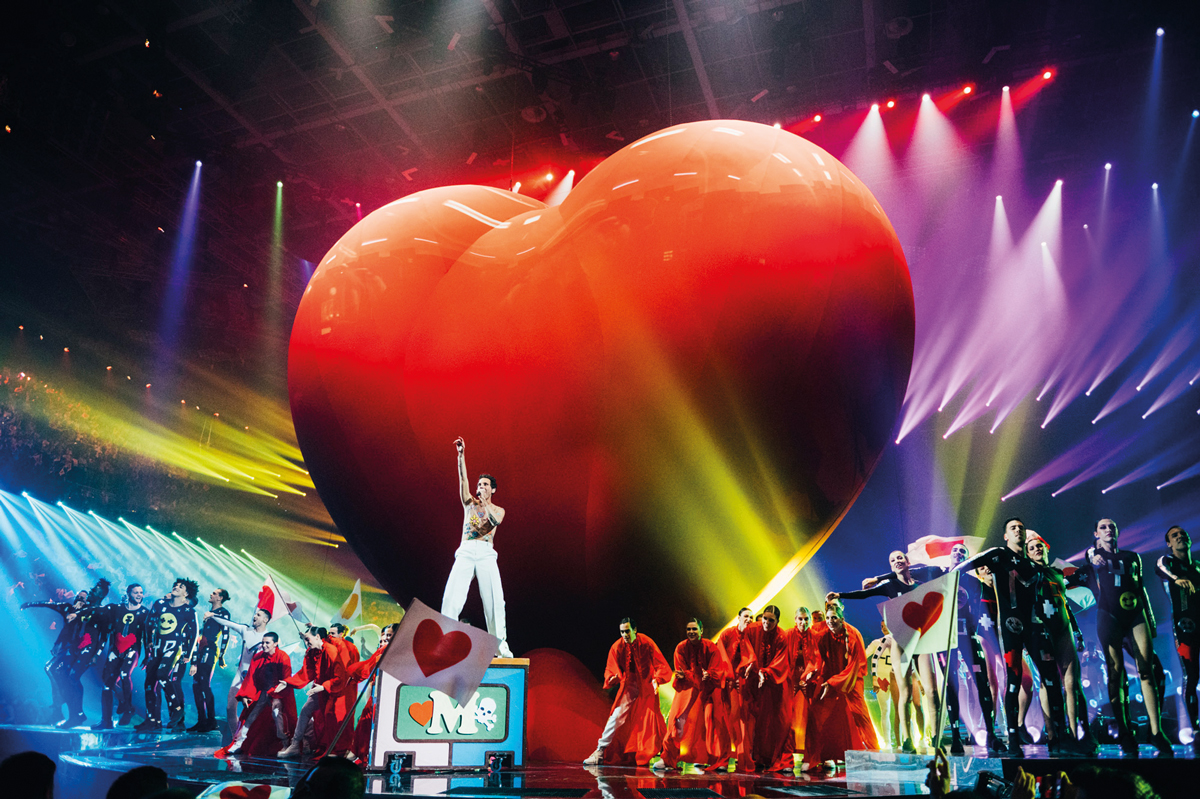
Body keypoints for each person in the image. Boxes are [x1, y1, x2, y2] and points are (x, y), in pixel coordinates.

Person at [955, 518, 1069, 757]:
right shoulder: (998, 554)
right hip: (1010, 628)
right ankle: (1014, 738)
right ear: (1006, 536)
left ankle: (1058, 737)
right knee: (1014, 680)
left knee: (1050, 678)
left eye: (1021, 527)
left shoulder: (1033, 565)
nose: (1018, 530)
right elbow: (964, 567)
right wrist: (950, 579)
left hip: (1035, 627)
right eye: (1013, 528)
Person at [1069, 518, 1173, 757]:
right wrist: (1090, 554)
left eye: (1112, 526)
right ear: (1096, 533)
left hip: (1136, 614)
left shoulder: (1132, 557)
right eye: (1103, 527)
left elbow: (1141, 587)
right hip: (1109, 616)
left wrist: (1151, 618)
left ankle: (1156, 732)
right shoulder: (1095, 558)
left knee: (1146, 669)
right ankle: (1125, 732)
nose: (1108, 529)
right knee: (1116, 672)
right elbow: (1085, 561)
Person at [827, 550, 944, 753]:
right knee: (905, 692)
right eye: (892, 560)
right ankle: (907, 739)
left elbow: (932, 570)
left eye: (900, 558)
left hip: (922, 640)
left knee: (932, 692)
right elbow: (865, 594)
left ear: (907, 561)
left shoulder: (920, 581)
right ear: (890, 566)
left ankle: (936, 737)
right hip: (901, 641)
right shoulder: (890, 586)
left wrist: (878, 576)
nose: (897, 561)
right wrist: (840, 595)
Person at [1023, 532, 1097, 754]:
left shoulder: (1056, 573)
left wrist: (1076, 631)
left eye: (1040, 546)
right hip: (1040, 631)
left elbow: (1064, 603)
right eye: (1033, 548)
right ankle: (1054, 735)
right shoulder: (1026, 574)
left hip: (1063, 630)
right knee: (1049, 683)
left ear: (1047, 549)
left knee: (1072, 683)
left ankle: (1078, 735)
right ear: (1027, 554)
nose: (1037, 550)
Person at [440, 437, 513, 658]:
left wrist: (485, 503)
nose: (479, 488)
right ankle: (445, 641)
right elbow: (463, 479)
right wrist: (461, 456)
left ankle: (500, 646)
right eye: (479, 484)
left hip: (486, 553)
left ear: (493, 489)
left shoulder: (498, 509)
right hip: (466, 549)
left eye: (484, 485)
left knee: (494, 601)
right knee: (451, 596)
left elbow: (495, 521)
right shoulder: (469, 504)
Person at [583, 618, 671, 767]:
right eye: (622, 631)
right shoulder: (617, 646)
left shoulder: (646, 642)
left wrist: (657, 679)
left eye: (627, 631)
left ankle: (666, 755)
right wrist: (613, 677)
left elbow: (660, 662)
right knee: (616, 717)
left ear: (634, 630)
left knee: (652, 720)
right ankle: (600, 751)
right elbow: (610, 667)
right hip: (629, 685)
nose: (624, 634)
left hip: (647, 685)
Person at [803, 598, 878, 769]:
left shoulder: (852, 634)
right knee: (820, 713)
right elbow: (816, 659)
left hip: (852, 680)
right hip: (832, 679)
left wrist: (833, 682)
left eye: (834, 618)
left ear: (842, 619)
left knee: (860, 715)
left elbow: (855, 665)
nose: (830, 622)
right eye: (828, 618)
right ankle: (820, 757)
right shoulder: (824, 634)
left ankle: (874, 754)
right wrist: (810, 674)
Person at [942, 542, 1001, 754]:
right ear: (949, 556)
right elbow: (906, 574)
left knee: (982, 682)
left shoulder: (973, 582)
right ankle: (956, 737)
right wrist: (879, 580)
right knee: (952, 685)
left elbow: (992, 598)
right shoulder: (938, 576)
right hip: (945, 640)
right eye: (955, 551)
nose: (959, 554)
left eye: (964, 552)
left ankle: (991, 734)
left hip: (968, 636)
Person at [659, 618, 730, 771]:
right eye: (689, 629)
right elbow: (681, 673)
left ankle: (718, 760)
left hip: (707, 689)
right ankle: (668, 758)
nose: (691, 632)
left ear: (701, 631)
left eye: (694, 629)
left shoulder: (711, 647)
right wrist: (694, 676)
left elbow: (717, 670)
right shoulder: (681, 648)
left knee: (713, 722)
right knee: (677, 721)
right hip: (689, 689)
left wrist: (708, 675)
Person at [217, 632, 296, 758]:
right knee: (251, 716)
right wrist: (245, 695)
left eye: (267, 643)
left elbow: (286, 679)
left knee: (277, 715)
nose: (264, 645)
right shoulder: (258, 657)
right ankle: (239, 743)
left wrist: (278, 695)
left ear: (275, 643)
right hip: (264, 693)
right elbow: (251, 677)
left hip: (278, 693)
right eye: (263, 642)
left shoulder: (283, 657)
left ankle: (286, 744)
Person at [21, 587, 91, 726]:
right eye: (79, 597)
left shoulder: (87, 613)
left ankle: (65, 705)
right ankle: (59, 705)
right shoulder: (66, 608)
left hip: (76, 649)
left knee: (58, 672)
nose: (80, 600)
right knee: (51, 669)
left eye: (83, 599)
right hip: (64, 647)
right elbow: (49, 604)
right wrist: (29, 604)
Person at [1156, 525, 1199, 750]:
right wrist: (1175, 579)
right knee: (1192, 676)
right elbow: (1160, 567)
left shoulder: (1199, 567)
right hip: (1184, 629)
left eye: (1183, 534)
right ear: (1169, 544)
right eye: (1174, 536)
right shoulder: (1168, 562)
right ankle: (1197, 729)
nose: (1180, 536)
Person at [137, 578, 199, 731]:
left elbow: (195, 632)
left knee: (162, 674)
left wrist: (190, 655)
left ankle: (177, 709)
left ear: (186, 593)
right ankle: (152, 720)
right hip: (157, 647)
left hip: (174, 647)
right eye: (175, 585)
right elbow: (148, 624)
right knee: (149, 684)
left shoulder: (189, 611)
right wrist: (148, 644)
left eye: (181, 586)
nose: (176, 587)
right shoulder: (160, 604)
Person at [202, 603, 271, 739]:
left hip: (255, 679)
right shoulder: (246, 630)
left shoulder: (269, 638)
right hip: (240, 675)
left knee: (252, 711)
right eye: (255, 614)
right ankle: (235, 737)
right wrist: (213, 615)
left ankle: (249, 738)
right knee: (230, 707)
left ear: (265, 620)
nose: (254, 616)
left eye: (258, 615)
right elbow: (229, 623)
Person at [278, 627, 345, 759]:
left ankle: (335, 749)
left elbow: (340, 676)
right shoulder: (312, 652)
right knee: (305, 711)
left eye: (308, 639)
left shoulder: (330, 650)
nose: (307, 643)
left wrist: (324, 687)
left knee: (331, 719)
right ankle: (295, 745)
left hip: (333, 691)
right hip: (319, 689)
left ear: (318, 637)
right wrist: (288, 682)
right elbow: (307, 672)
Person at [742, 605, 793, 772]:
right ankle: (761, 758)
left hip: (777, 683)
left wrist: (766, 672)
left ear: (777, 621)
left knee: (780, 722)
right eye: (765, 618)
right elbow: (747, 650)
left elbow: (781, 661)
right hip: (758, 682)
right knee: (761, 723)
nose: (767, 622)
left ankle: (782, 759)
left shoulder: (781, 636)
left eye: (771, 620)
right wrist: (750, 663)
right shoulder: (752, 629)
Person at [94, 583, 150, 729]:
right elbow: (99, 612)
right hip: (115, 650)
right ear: (128, 593)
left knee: (125, 674)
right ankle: (106, 720)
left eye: (141, 592)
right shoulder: (117, 609)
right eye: (136, 592)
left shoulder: (144, 613)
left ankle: (128, 707)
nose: (139, 595)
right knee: (107, 684)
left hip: (132, 649)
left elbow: (147, 636)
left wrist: (148, 655)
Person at [348, 623, 399, 762]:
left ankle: (369, 753)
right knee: (365, 718)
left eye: (389, 635)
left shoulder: (398, 650)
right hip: (375, 688)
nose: (385, 638)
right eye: (383, 637)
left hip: (388, 692)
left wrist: (357, 628)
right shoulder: (380, 651)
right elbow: (369, 665)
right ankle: (358, 751)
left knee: (377, 722)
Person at [714, 607, 753, 770]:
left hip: (746, 684)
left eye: (751, 617)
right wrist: (729, 676)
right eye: (746, 616)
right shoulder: (727, 634)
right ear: (738, 618)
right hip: (728, 682)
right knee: (728, 718)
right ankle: (726, 756)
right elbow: (720, 655)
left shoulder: (753, 635)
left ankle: (743, 754)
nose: (749, 620)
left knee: (744, 719)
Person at [189, 588, 231, 733]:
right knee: (196, 686)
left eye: (214, 593)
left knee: (204, 684)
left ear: (220, 598)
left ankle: (211, 721)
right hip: (201, 649)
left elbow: (226, 634)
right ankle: (201, 720)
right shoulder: (209, 613)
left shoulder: (223, 613)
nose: (211, 594)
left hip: (210, 650)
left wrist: (221, 655)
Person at [787, 607, 819, 762]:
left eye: (806, 619)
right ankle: (786, 755)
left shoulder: (815, 636)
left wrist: (809, 678)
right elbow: (781, 660)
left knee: (810, 718)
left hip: (809, 683)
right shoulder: (787, 635)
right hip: (790, 683)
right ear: (795, 619)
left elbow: (818, 661)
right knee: (788, 718)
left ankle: (810, 755)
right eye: (800, 619)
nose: (803, 622)